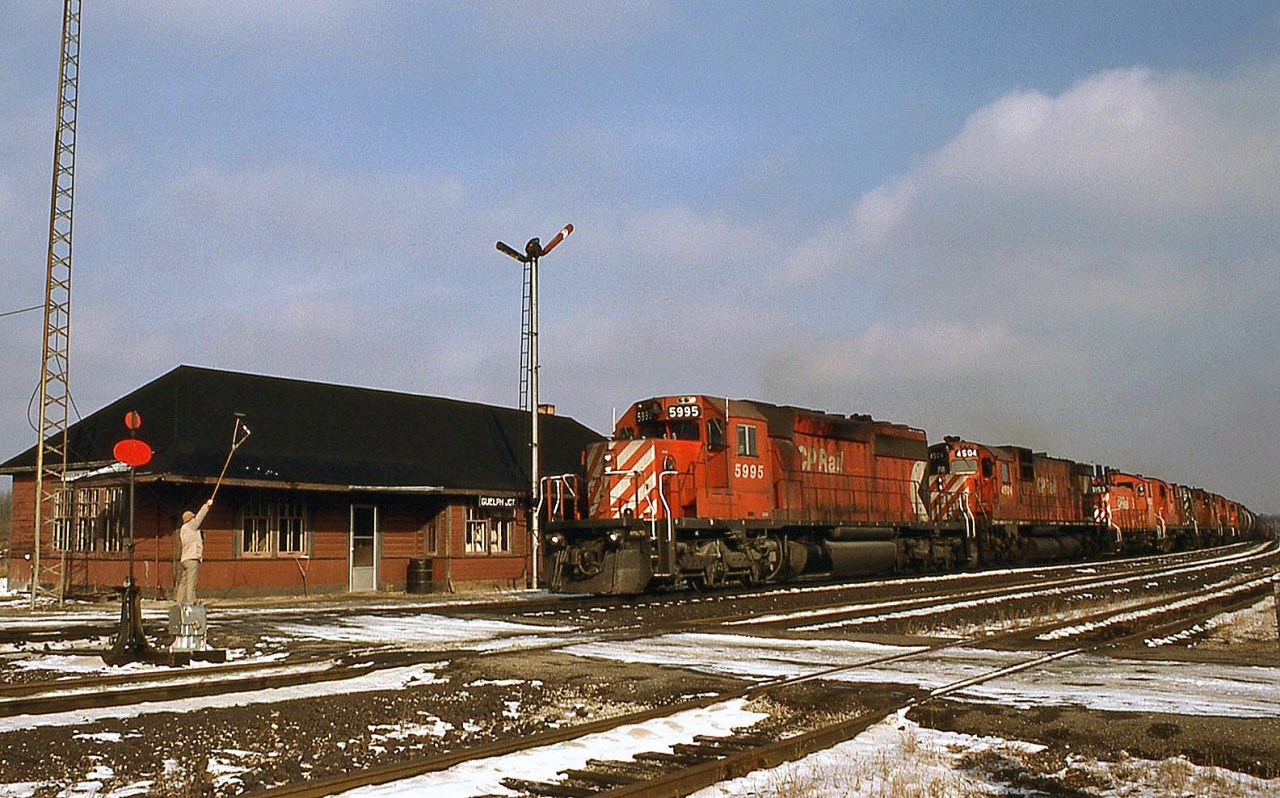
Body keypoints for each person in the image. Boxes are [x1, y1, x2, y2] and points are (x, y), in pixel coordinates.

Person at [176, 498, 212, 605]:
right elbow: (200, 517)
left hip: (185, 559)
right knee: (191, 582)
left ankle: (179, 602)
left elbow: (193, 537)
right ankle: (191, 601)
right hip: (192, 558)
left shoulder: (184, 529)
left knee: (184, 582)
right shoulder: (192, 525)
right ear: (190, 519)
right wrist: (207, 505)